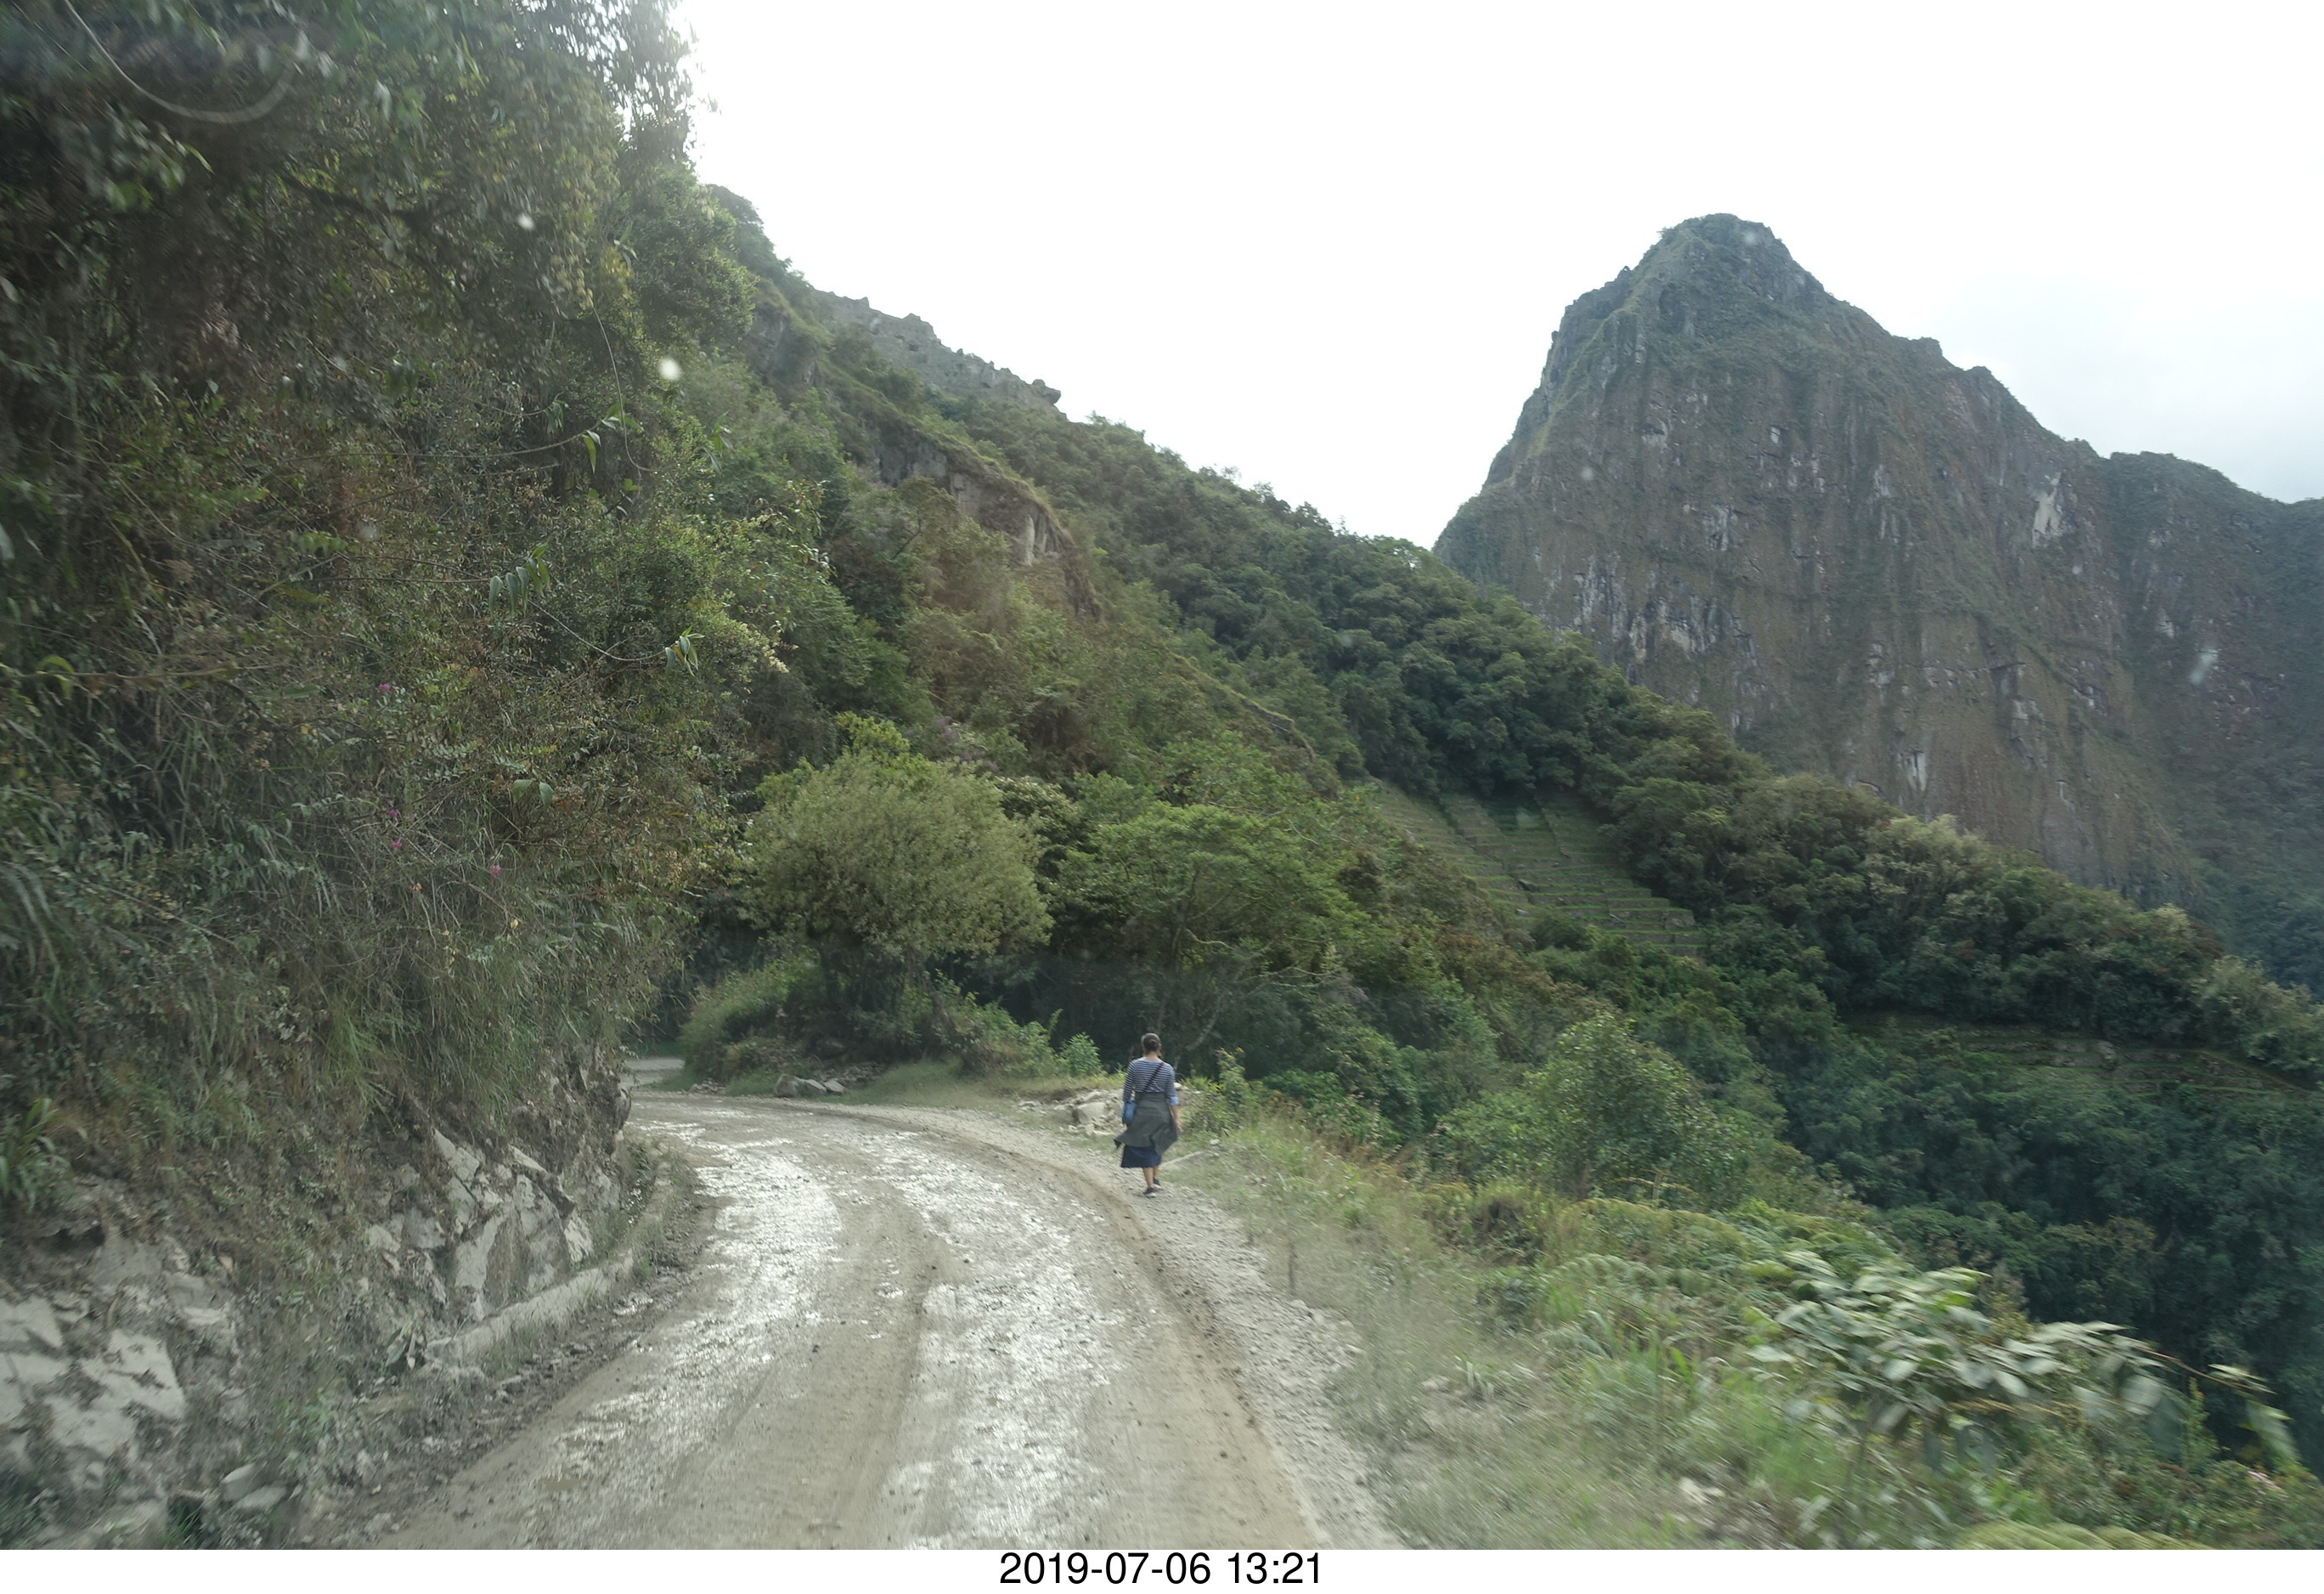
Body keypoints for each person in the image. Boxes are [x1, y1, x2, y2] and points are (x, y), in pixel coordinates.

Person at [1115, 1032, 1180, 1196]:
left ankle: (1150, 1187)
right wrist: (1176, 1119)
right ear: (1159, 1047)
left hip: (1142, 1111)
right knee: (1158, 1143)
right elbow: (1172, 1096)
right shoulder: (1167, 1068)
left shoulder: (1135, 1065)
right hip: (1162, 1112)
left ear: (1143, 1047)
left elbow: (1127, 1093)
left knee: (1144, 1147)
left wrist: (1128, 1108)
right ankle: (1156, 1178)